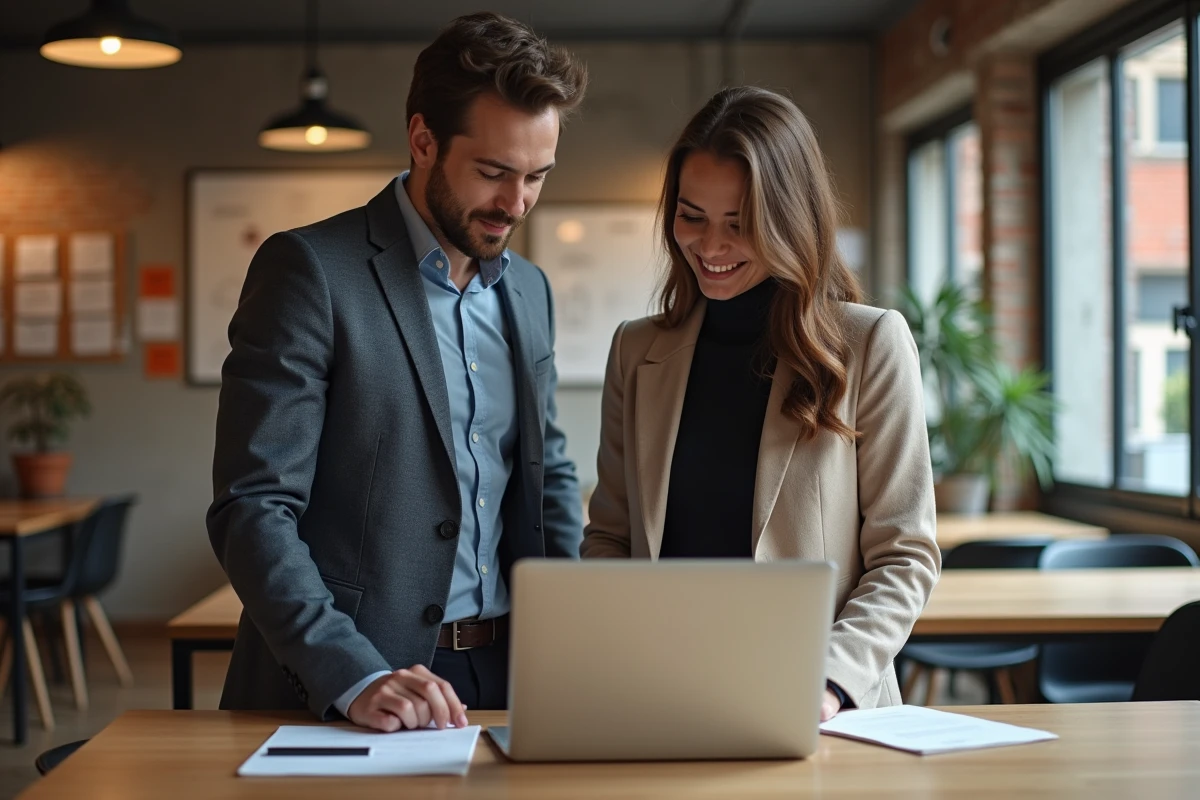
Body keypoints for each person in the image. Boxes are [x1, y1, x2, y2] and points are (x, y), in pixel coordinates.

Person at [207, 12, 588, 732]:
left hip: (512, 668)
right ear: (423, 140)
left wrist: (575, 635)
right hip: (355, 683)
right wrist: (352, 673)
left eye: (537, 177)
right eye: (494, 173)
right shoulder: (311, 272)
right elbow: (252, 506)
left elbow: (549, 479)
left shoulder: (528, 289)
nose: (517, 204)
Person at [580, 86, 940, 721]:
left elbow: (904, 554)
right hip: (662, 694)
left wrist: (830, 683)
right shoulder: (637, 352)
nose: (710, 248)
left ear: (790, 219)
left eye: (740, 225)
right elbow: (610, 536)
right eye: (691, 217)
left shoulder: (869, 343)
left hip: (823, 707)